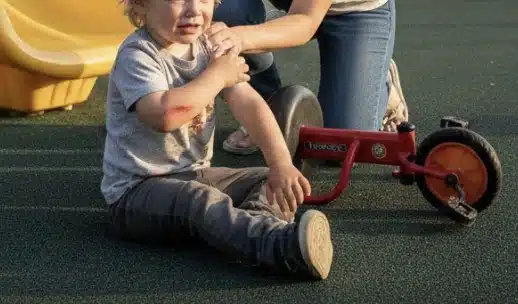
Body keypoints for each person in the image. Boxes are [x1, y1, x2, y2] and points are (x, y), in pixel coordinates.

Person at [101, 0, 334, 280]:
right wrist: (217, 75)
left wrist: (280, 164)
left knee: (268, 180)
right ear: (142, 5)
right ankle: (278, 247)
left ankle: (255, 224)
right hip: (136, 192)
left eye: (204, 0)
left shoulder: (207, 44)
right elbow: (164, 115)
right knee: (201, 199)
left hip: (195, 173)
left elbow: (249, 104)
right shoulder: (138, 54)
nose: (193, 9)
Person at [211, 0, 409, 155]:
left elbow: (305, 20)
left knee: (339, 144)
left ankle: (380, 77)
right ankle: (267, 107)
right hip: (290, 3)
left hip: (354, 12)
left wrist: (237, 37)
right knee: (220, 9)